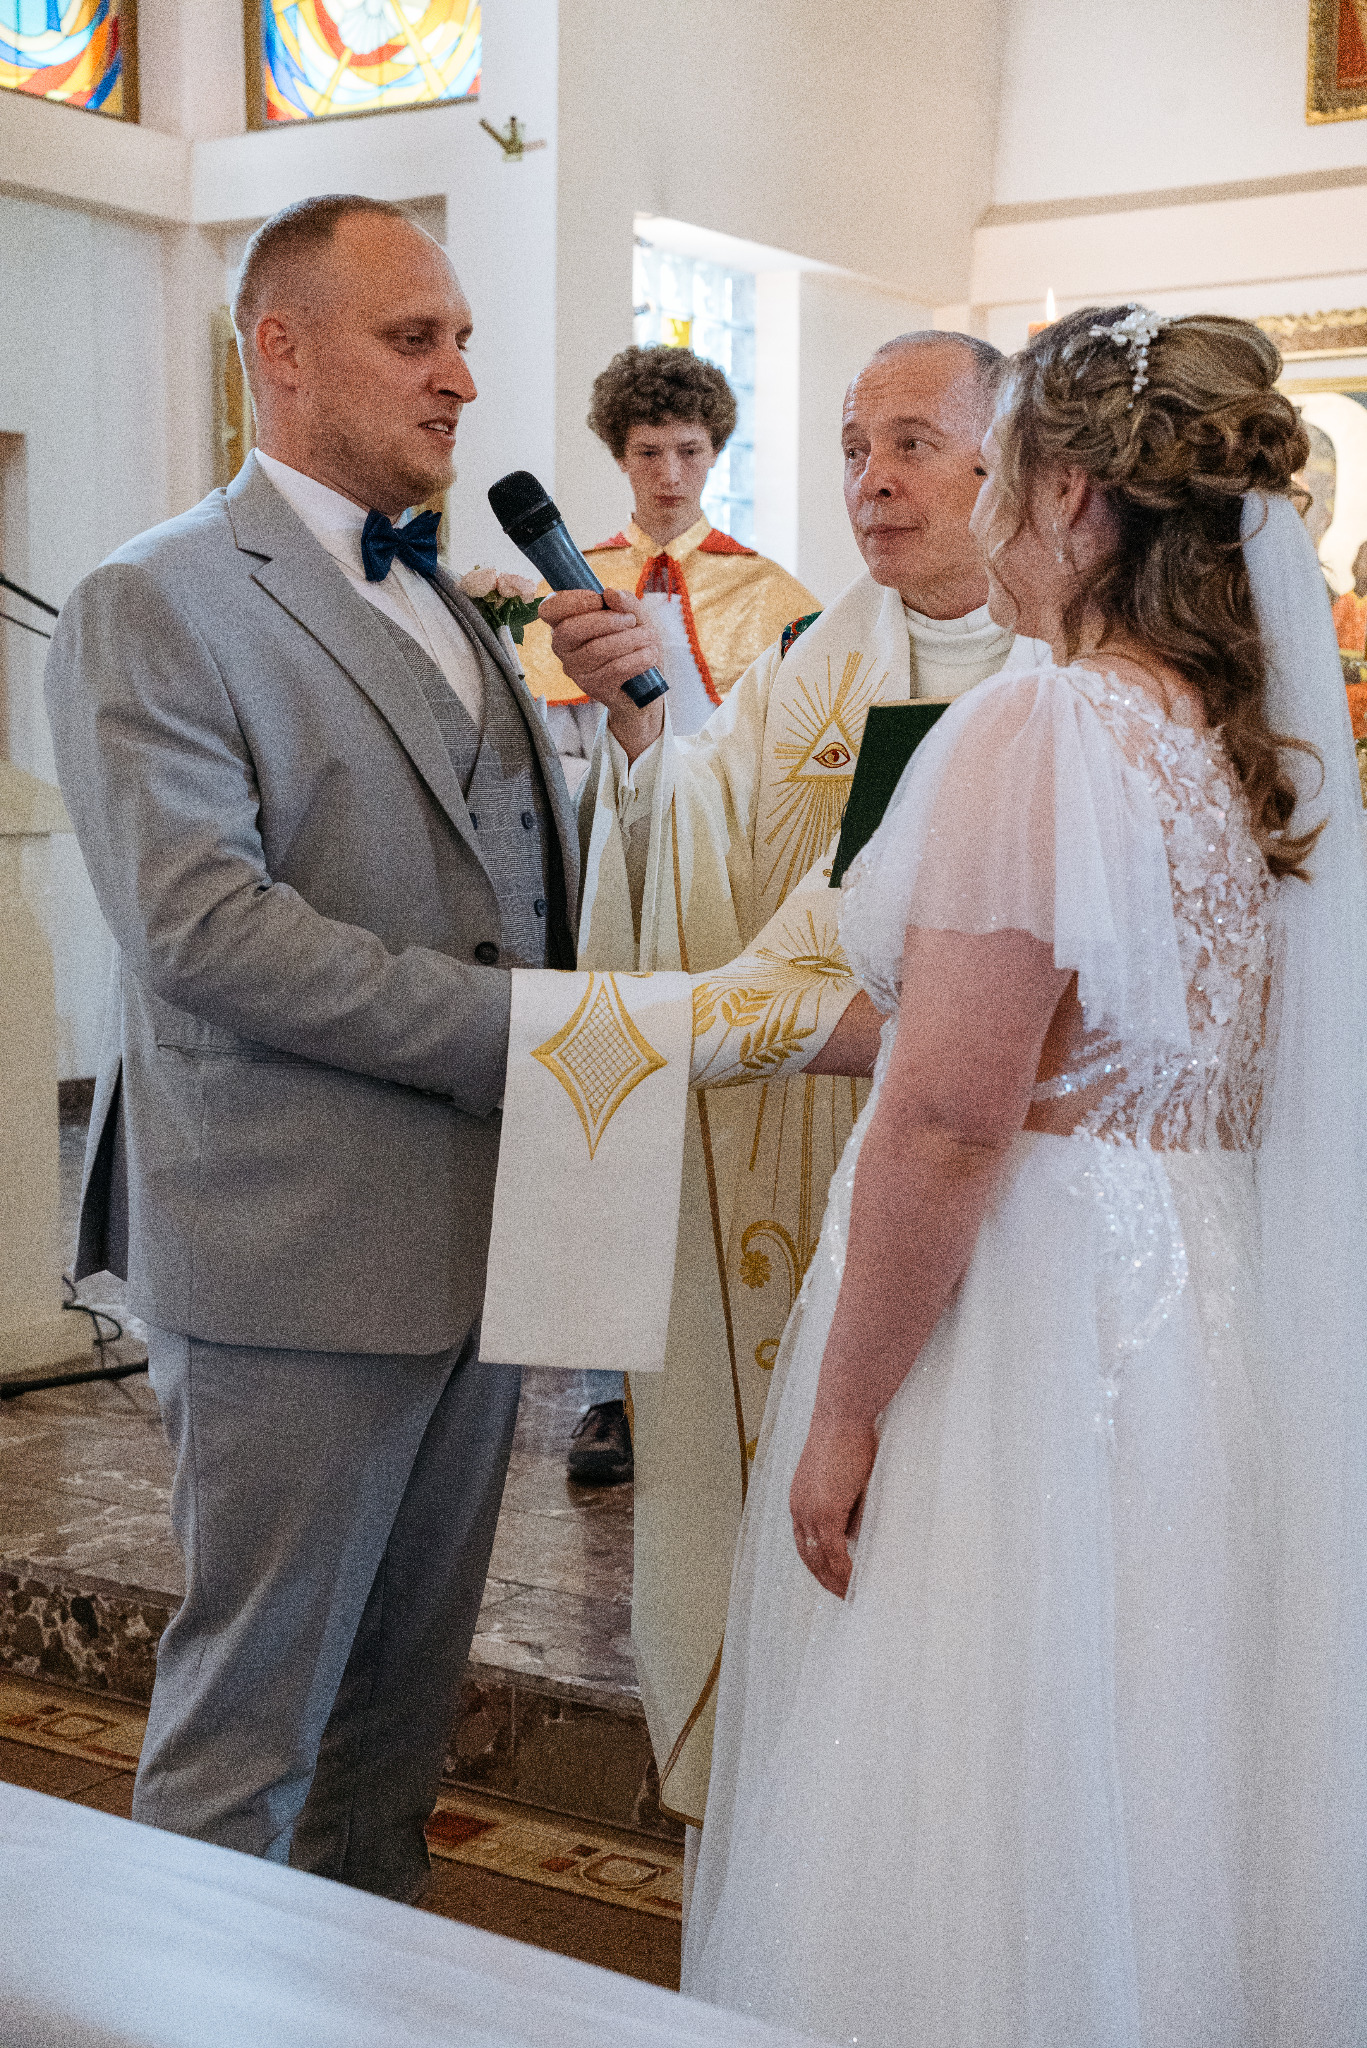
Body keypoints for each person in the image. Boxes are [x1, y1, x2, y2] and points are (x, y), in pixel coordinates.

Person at [683, 309, 1367, 2044]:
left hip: (1036, 1338)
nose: (966, 510)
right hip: (1198, 1319)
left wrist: (839, 1410)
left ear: (1066, 494)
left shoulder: (1044, 729)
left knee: (980, 1772)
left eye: (988, 473)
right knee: (1148, 1767)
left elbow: (952, 1115)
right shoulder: (1246, 750)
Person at [43, 195, 579, 1902]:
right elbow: (206, 933)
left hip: (481, 1248)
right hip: (290, 1250)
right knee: (243, 1752)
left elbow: (507, 876)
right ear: (279, 353)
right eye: (414, 339)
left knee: (388, 1751)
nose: (460, 378)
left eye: (463, 338)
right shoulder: (159, 599)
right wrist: (539, 1038)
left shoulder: (444, 593)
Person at [542, 332, 1049, 1842]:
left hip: (998, 1188)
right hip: (803, 1179)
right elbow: (693, 828)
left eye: (907, 443)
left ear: (1004, 460)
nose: (869, 481)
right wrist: (641, 718)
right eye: (848, 445)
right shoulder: (818, 663)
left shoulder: (1073, 675)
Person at [522, 344, 814, 1491]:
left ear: (714, 455)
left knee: (692, 1105)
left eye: (689, 450)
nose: (669, 473)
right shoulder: (566, 576)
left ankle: (720, 1350)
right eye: (648, 451)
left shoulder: (770, 592)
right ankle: (603, 1388)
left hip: (710, 872)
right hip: (592, 861)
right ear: (618, 455)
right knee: (592, 1097)